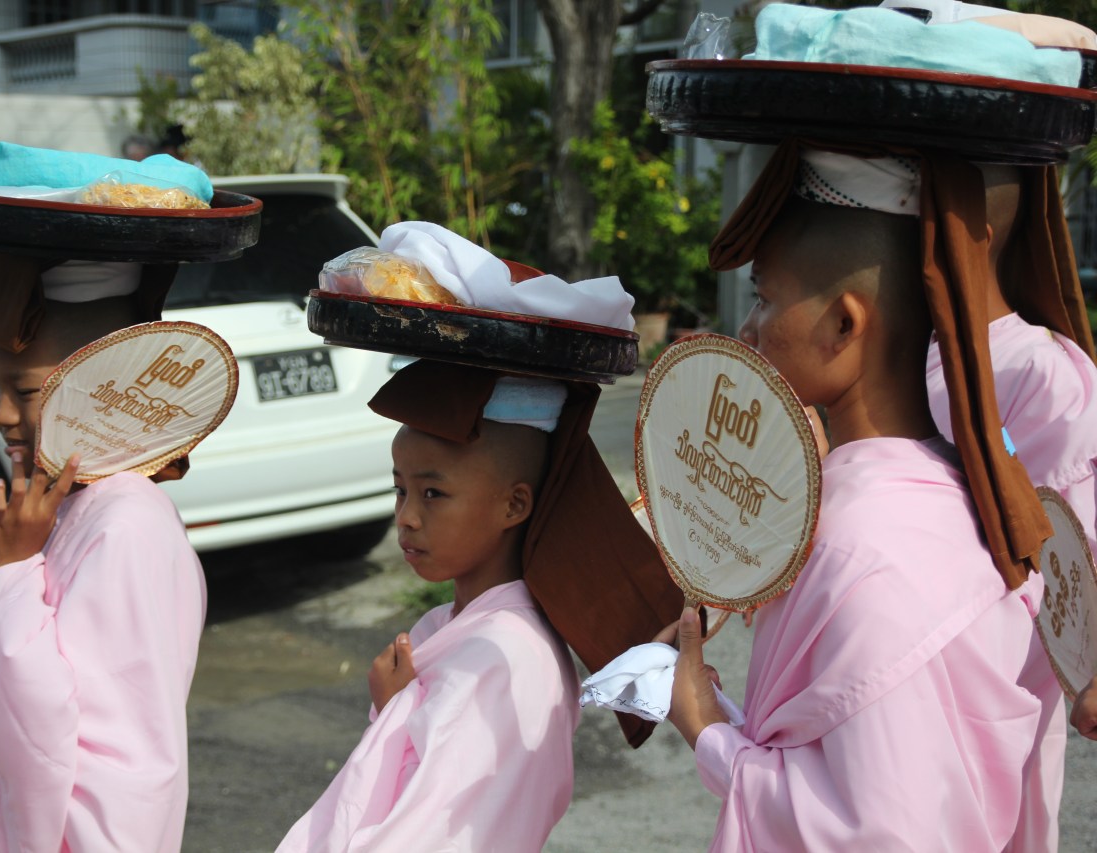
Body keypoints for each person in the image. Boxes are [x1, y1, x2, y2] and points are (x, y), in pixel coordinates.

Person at [664, 144, 1051, 851]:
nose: (747, 329)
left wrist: (708, 730)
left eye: (764, 297)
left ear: (845, 323)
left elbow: (875, 831)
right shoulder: (950, 489)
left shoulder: (862, 545)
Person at [0, 263, 207, 852]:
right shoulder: (79, 506)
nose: (0, 414)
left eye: (24, 391)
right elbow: (69, 709)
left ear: (107, 388)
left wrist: (13, 570)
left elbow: (77, 725)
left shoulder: (125, 526)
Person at [279, 370, 579, 851]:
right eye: (401, 490)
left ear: (514, 504)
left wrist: (395, 708)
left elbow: (434, 834)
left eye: (433, 494)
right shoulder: (448, 625)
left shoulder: (502, 656)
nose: (407, 517)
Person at [924, 162, 1096, 849]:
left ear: (969, 236)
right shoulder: (908, 355)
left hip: (1002, 682)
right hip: (912, 669)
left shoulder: (1042, 370)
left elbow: (1077, 541)